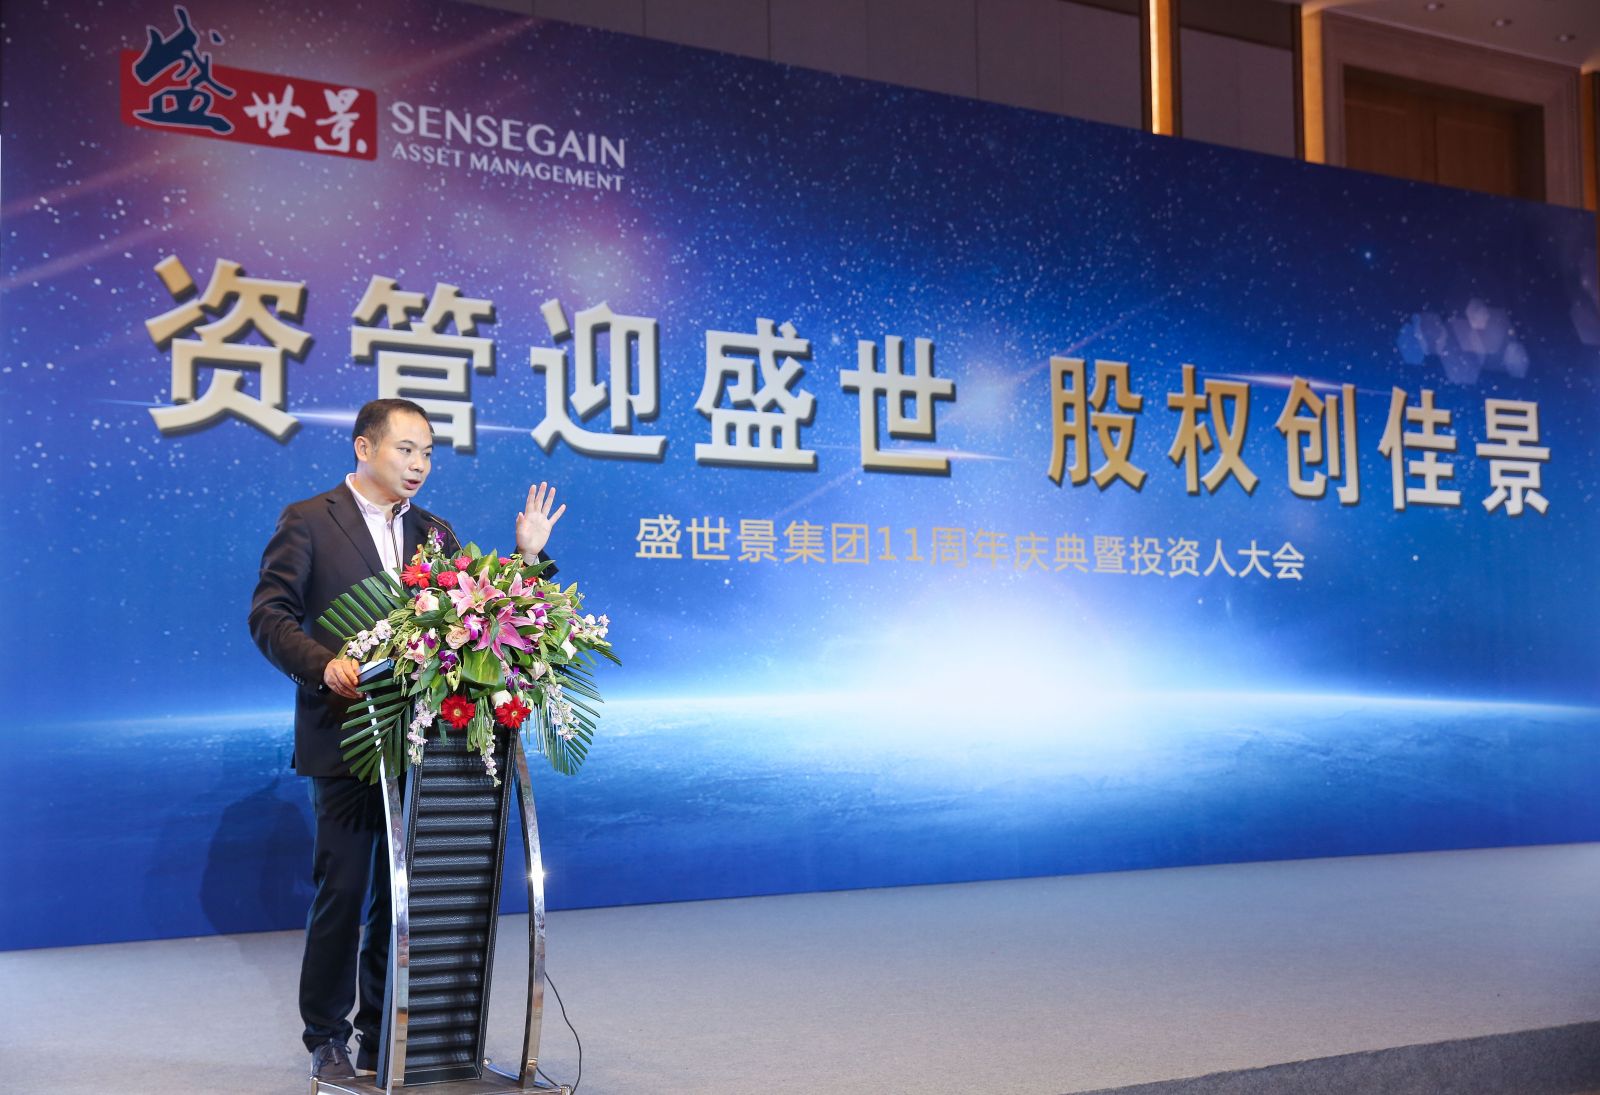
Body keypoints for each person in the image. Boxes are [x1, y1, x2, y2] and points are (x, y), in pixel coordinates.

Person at [248, 397, 564, 1081]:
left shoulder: (435, 531)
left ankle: (384, 1034)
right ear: (364, 448)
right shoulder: (309, 519)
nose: (419, 464)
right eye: (406, 449)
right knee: (345, 890)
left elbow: (480, 615)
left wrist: (527, 557)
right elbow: (269, 615)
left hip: (424, 744)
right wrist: (322, 665)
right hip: (346, 734)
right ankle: (325, 1039)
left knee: (403, 900)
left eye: (427, 453)